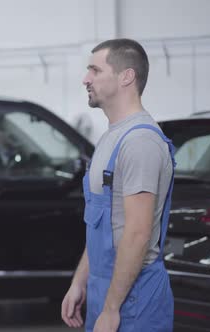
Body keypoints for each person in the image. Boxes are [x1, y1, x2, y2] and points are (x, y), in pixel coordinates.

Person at [61, 38, 175, 331]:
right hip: (106, 288)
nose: (85, 79)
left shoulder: (140, 141)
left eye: (95, 70)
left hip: (134, 297)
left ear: (127, 76)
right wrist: (80, 282)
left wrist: (112, 309)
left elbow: (137, 232)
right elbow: (103, 224)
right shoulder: (111, 138)